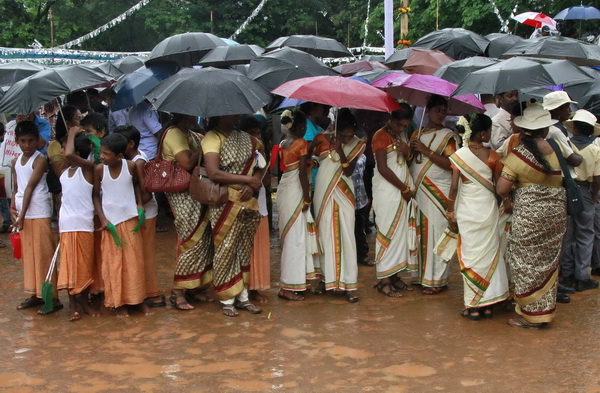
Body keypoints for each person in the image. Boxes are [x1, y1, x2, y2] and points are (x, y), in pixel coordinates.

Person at [496, 106, 567, 329]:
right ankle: (545, 311)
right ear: (545, 129)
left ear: (524, 129)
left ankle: (530, 315)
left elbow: (501, 189)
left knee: (525, 262)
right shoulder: (556, 149)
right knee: (547, 262)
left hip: (529, 216)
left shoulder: (518, 156)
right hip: (556, 214)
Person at [447, 114, 509, 320]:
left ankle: (473, 307)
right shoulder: (493, 157)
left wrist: (450, 211)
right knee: (489, 253)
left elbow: (454, 187)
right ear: (482, 133)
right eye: (489, 132)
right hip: (487, 209)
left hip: (466, 210)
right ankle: (489, 305)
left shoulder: (459, 156)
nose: (490, 135)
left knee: (470, 256)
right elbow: (500, 188)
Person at [203, 115, 265, 316]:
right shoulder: (212, 137)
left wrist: (252, 183)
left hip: (247, 201)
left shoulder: (248, 139)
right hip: (225, 200)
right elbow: (213, 173)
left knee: (244, 249)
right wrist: (247, 179)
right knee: (226, 248)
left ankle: (243, 296)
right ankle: (227, 298)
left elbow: (263, 163)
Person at [160, 114, 213, 311]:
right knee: (190, 239)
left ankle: (193, 286)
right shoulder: (174, 134)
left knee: (201, 238)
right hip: (181, 192)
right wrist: (204, 143)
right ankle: (178, 291)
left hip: (192, 192)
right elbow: (187, 163)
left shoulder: (189, 133)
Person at [312, 109, 366, 302]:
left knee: (347, 236)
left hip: (345, 192)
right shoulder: (320, 139)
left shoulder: (357, 144)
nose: (347, 137)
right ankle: (325, 279)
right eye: (343, 135)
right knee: (324, 234)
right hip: (323, 191)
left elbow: (349, 171)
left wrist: (340, 150)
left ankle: (349, 284)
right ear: (335, 130)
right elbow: (310, 159)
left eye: (350, 135)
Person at [92, 133, 148, 318]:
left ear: (119, 156)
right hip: (111, 225)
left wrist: (139, 204)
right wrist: (103, 219)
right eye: (101, 153)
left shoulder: (131, 166)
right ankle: (118, 303)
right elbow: (95, 196)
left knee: (134, 263)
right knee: (114, 265)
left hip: (131, 221)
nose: (101, 157)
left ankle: (137, 300)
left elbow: (137, 186)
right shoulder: (100, 170)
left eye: (106, 154)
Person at [409, 95, 459, 294]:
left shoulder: (449, 136)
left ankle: (436, 280)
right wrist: (410, 150)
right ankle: (421, 276)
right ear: (427, 112)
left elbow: (451, 164)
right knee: (421, 232)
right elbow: (409, 159)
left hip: (438, 190)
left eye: (443, 111)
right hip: (419, 190)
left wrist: (426, 150)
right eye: (437, 110)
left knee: (437, 233)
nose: (441, 114)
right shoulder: (416, 133)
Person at [11, 121, 60, 315]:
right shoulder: (16, 162)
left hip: (38, 210)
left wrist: (20, 216)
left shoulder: (40, 160)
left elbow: (30, 187)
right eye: (23, 141)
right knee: (29, 255)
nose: (27, 145)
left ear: (37, 140)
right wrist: (13, 208)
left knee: (43, 254)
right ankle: (35, 293)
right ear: (16, 141)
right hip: (23, 213)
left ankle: (52, 298)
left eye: (31, 141)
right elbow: (17, 189)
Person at [371, 105, 418, 297]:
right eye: (399, 125)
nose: (401, 129)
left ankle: (395, 276)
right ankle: (383, 280)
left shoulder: (403, 136)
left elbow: (406, 161)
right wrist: (404, 188)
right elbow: (383, 168)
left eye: (405, 126)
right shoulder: (379, 136)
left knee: (400, 234)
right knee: (387, 231)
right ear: (391, 118)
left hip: (401, 190)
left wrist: (407, 151)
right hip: (388, 191)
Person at [115, 125, 165, 307]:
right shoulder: (134, 158)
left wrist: (132, 208)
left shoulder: (138, 162)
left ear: (130, 144)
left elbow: (145, 192)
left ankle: (151, 293)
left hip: (145, 212)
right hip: (139, 211)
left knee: (144, 253)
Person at [57, 126, 98, 321]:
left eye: (65, 146)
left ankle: (84, 301)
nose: (63, 151)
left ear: (78, 154)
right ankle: (73, 304)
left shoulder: (89, 169)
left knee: (84, 266)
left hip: (83, 224)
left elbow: (70, 153)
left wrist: (72, 134)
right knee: (69, 267)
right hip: (66, 225)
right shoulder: (64, 173)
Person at [276, 109, 317, 301]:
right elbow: (301, 173)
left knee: (292, 235)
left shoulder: (284, 143)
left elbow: (290, 167)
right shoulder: (301, 143)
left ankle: (295, 281)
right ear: (301, 127)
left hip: (285, 187)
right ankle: (287, 286)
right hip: (296, 190)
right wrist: (308, 198)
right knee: (296, 237)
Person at [560, 110, 600, 292]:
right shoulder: (595, 149)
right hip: (586, 190)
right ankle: (582, 275)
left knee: (568, 233)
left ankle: (567, 273)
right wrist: (594, 195)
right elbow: (598, 178)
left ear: (574, 128)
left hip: (568, 189)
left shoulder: (566, 145)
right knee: (585, 233)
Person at [239, 116, 271, 302]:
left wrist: (263, 156)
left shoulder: (261, 154)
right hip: (243, 205)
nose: (256, 137)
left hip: (259, 205)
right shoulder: (239, 153)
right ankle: (242, 288)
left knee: (258, 246)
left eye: (258, 133)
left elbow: (265, 182)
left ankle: (255, 287)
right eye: (252, 133)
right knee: (244, 248)